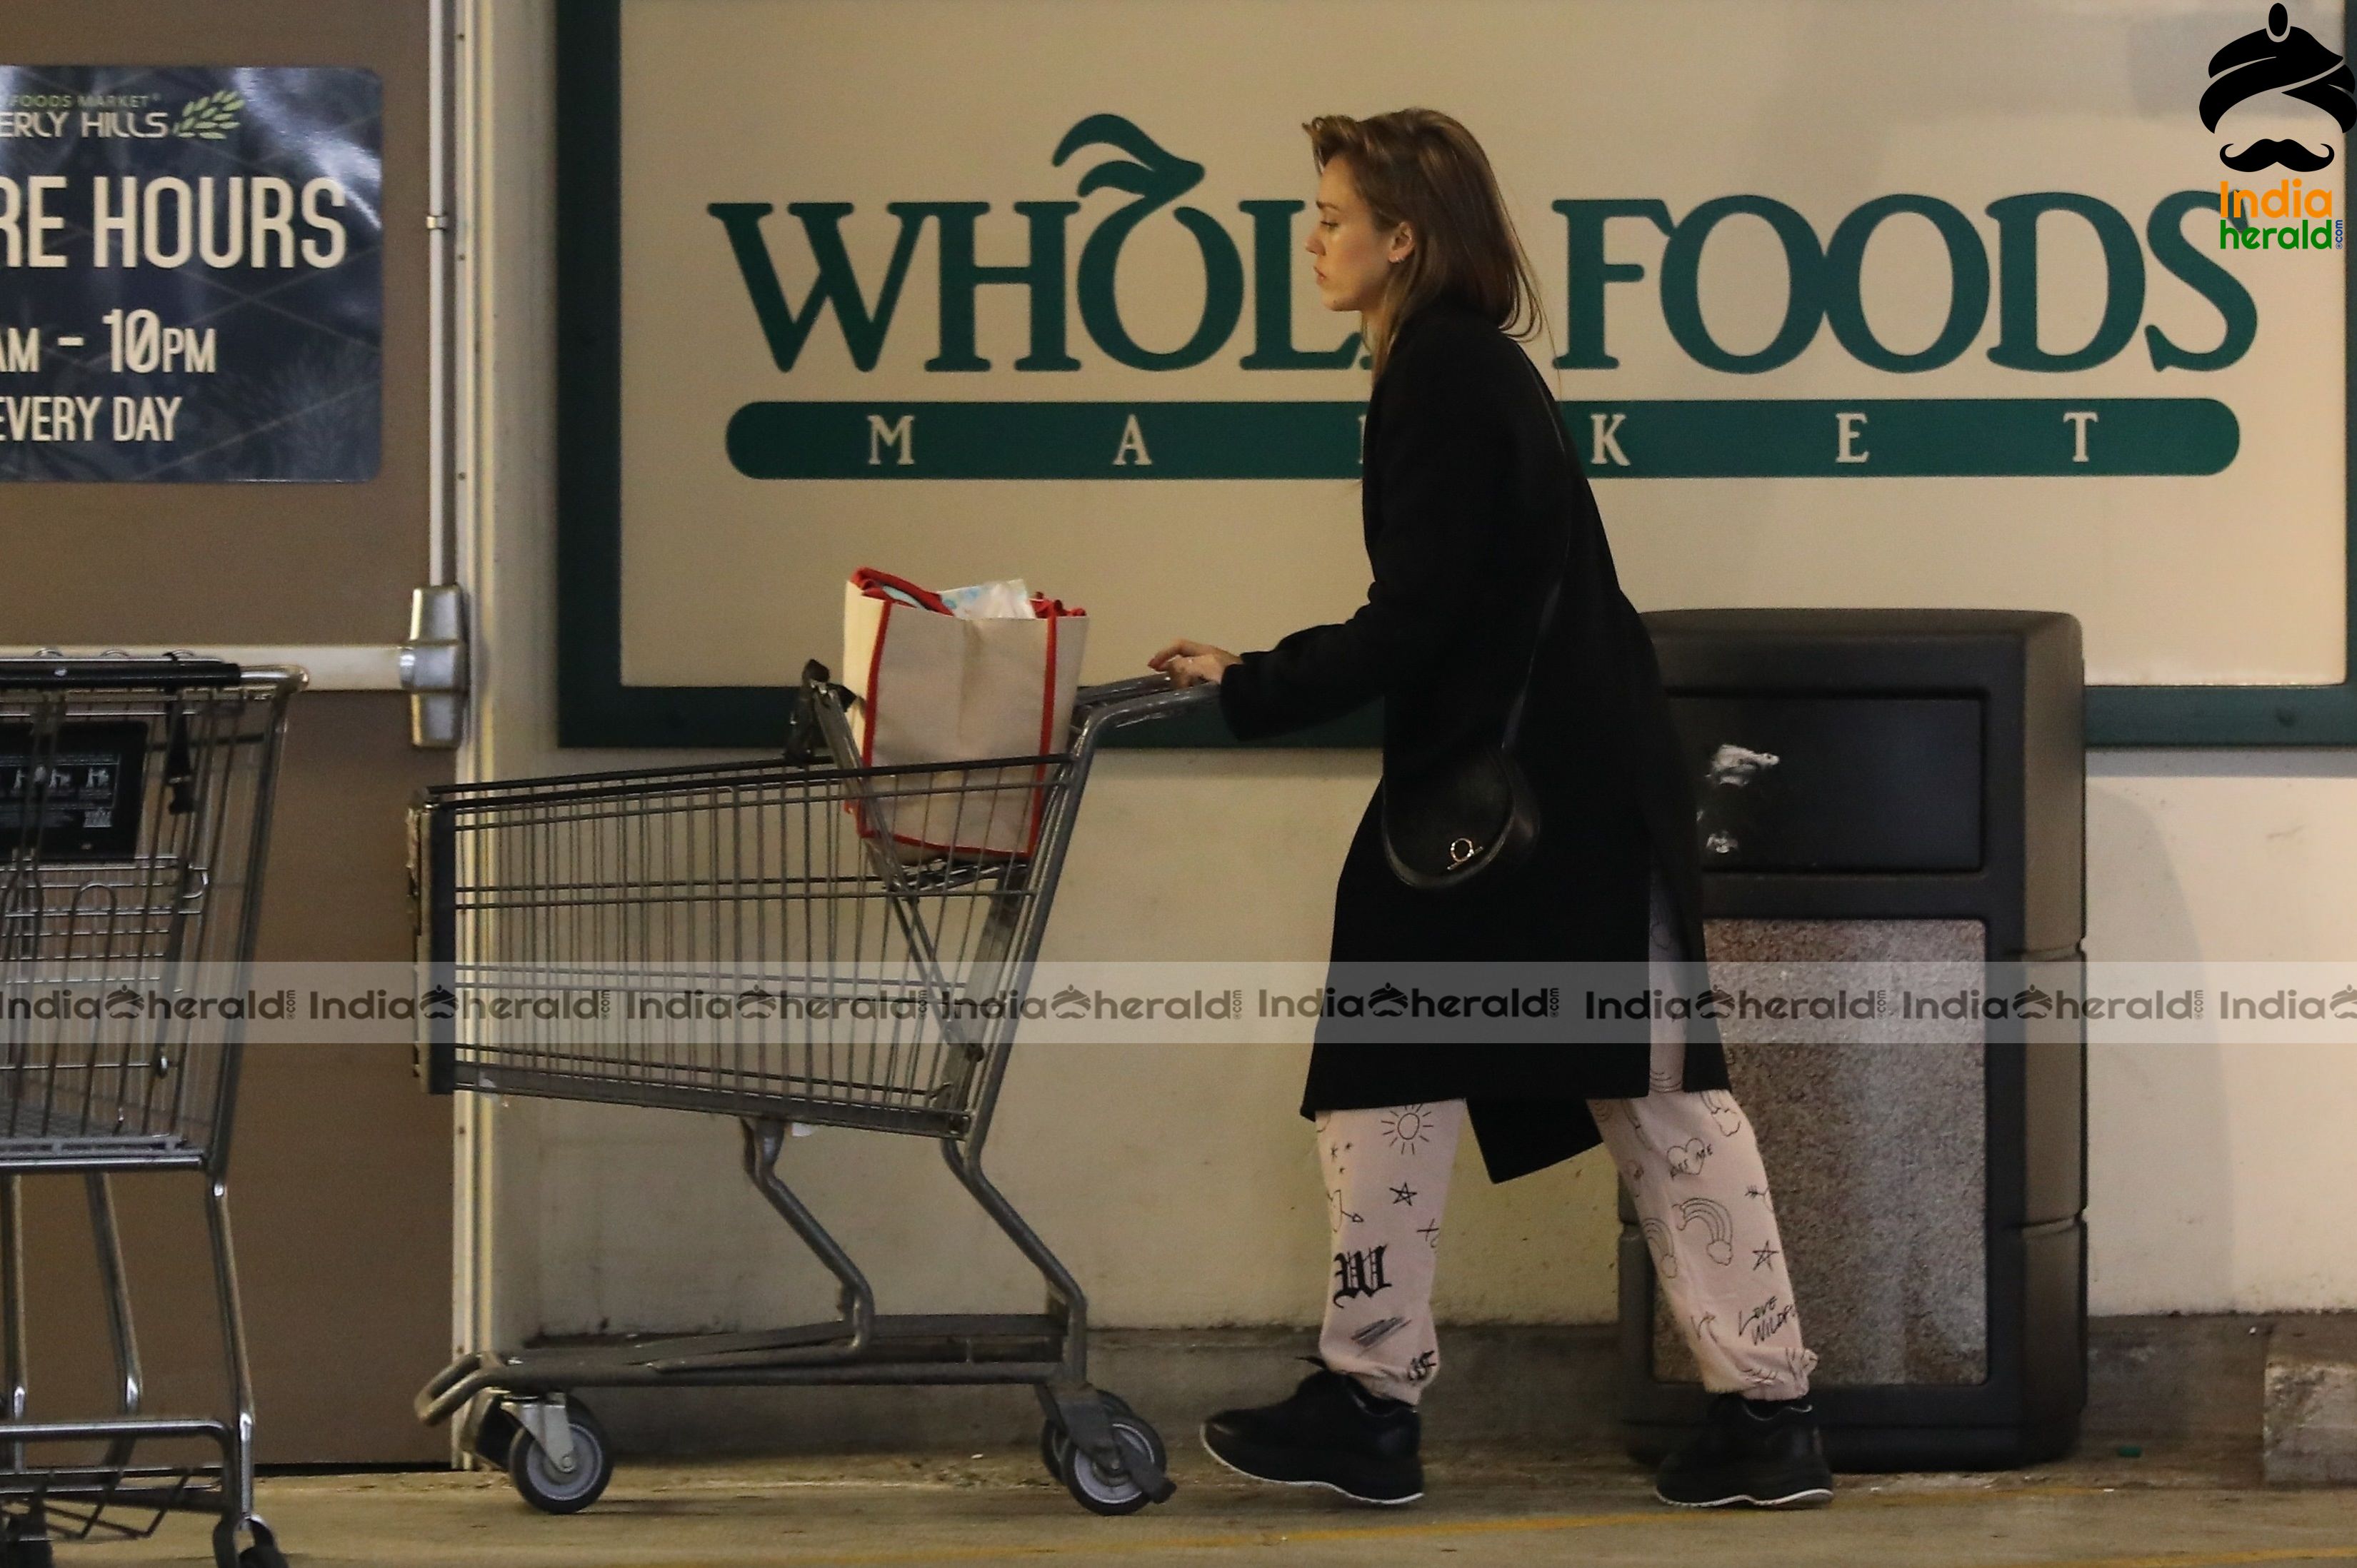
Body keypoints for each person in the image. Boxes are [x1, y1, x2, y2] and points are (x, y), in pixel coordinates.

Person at [1149, 109, 1831, 1512]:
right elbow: (1449, 611)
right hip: (1538, 803)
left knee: (1626, 1096)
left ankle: (1724, 1412)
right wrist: (1262, 673)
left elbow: (1418, 619)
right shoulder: (1453, 372)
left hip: (1536, 813)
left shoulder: (1445, 378)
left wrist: (1256, 683)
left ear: (1407, 238)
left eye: (1334, 215)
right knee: (1450, 1076)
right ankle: (1395, 1395)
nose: (1313, 239)